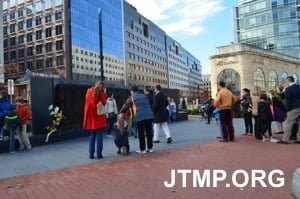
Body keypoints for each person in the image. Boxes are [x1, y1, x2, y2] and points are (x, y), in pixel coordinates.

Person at [120, 85, 153, 154]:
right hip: (149, 115)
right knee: (149, 132)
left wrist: (121, 112)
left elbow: (127, 105)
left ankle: (143, 149)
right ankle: (150, 148)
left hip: (140, 116)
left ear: (132, 91)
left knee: (141, 133)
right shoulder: (144, 96)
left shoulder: (133, 97)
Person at [83, 81, 107, 159]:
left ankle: (91, 154)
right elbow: (104, 103)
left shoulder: (89, 91)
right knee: (99, 135)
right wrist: (104, 94)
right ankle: (99, 154)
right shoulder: (101, 93)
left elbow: (89, 102)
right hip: (99, 116)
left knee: (92, 135)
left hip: (92, 117)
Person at [278, 76, 300, 144]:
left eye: (285, 81)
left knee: (288, 123)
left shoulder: (288, 89)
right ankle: (299, 139)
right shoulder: (299, 86)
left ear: (288, 81)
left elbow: (288, 101)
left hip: (293, 108)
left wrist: (288, 110)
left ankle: (285, 139)